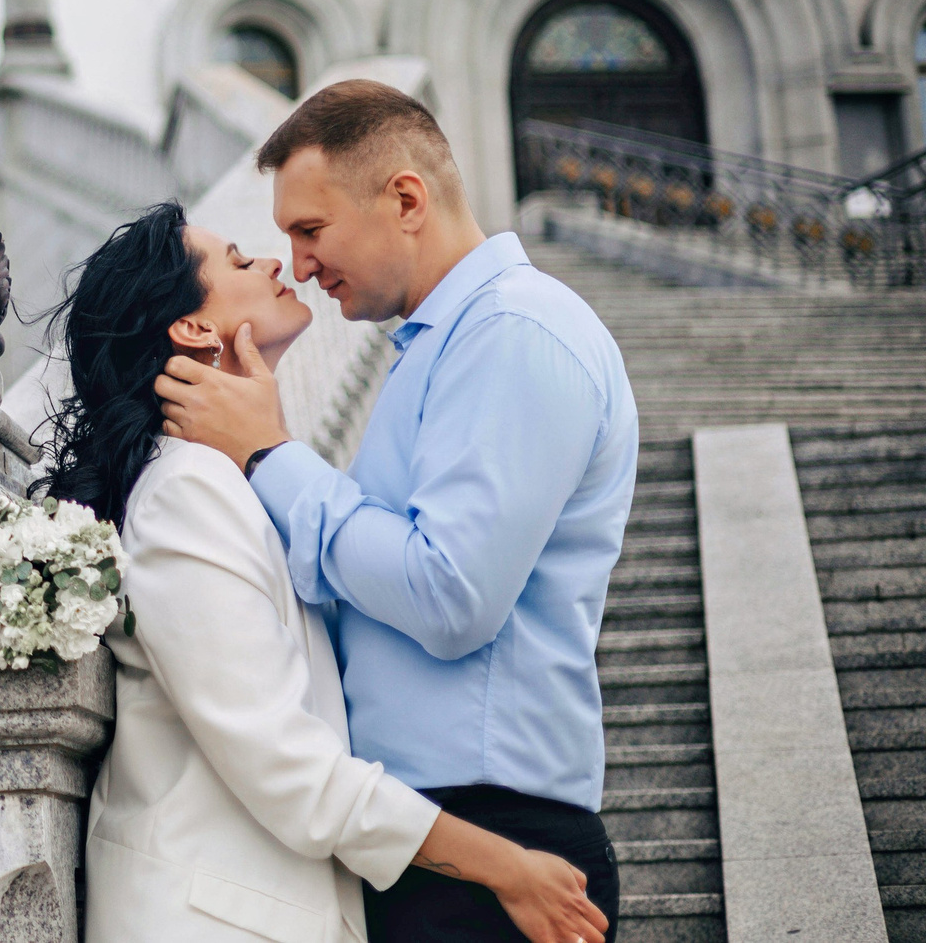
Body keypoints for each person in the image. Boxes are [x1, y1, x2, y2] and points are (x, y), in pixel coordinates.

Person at [39, 202, 611, 943]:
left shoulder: (234, 484)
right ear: (193, 329)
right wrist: (501, 863)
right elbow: (286, 762)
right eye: (241, 259)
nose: (280, 262)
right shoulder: (186, 492)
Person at [158, 80, 639, 942]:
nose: (298, 264)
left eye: (311, 230)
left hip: (498, 844)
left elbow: (449, 593)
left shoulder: (513, 332)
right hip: (437, 842)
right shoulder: (436, 345)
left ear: (405, 199)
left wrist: (270, 455)